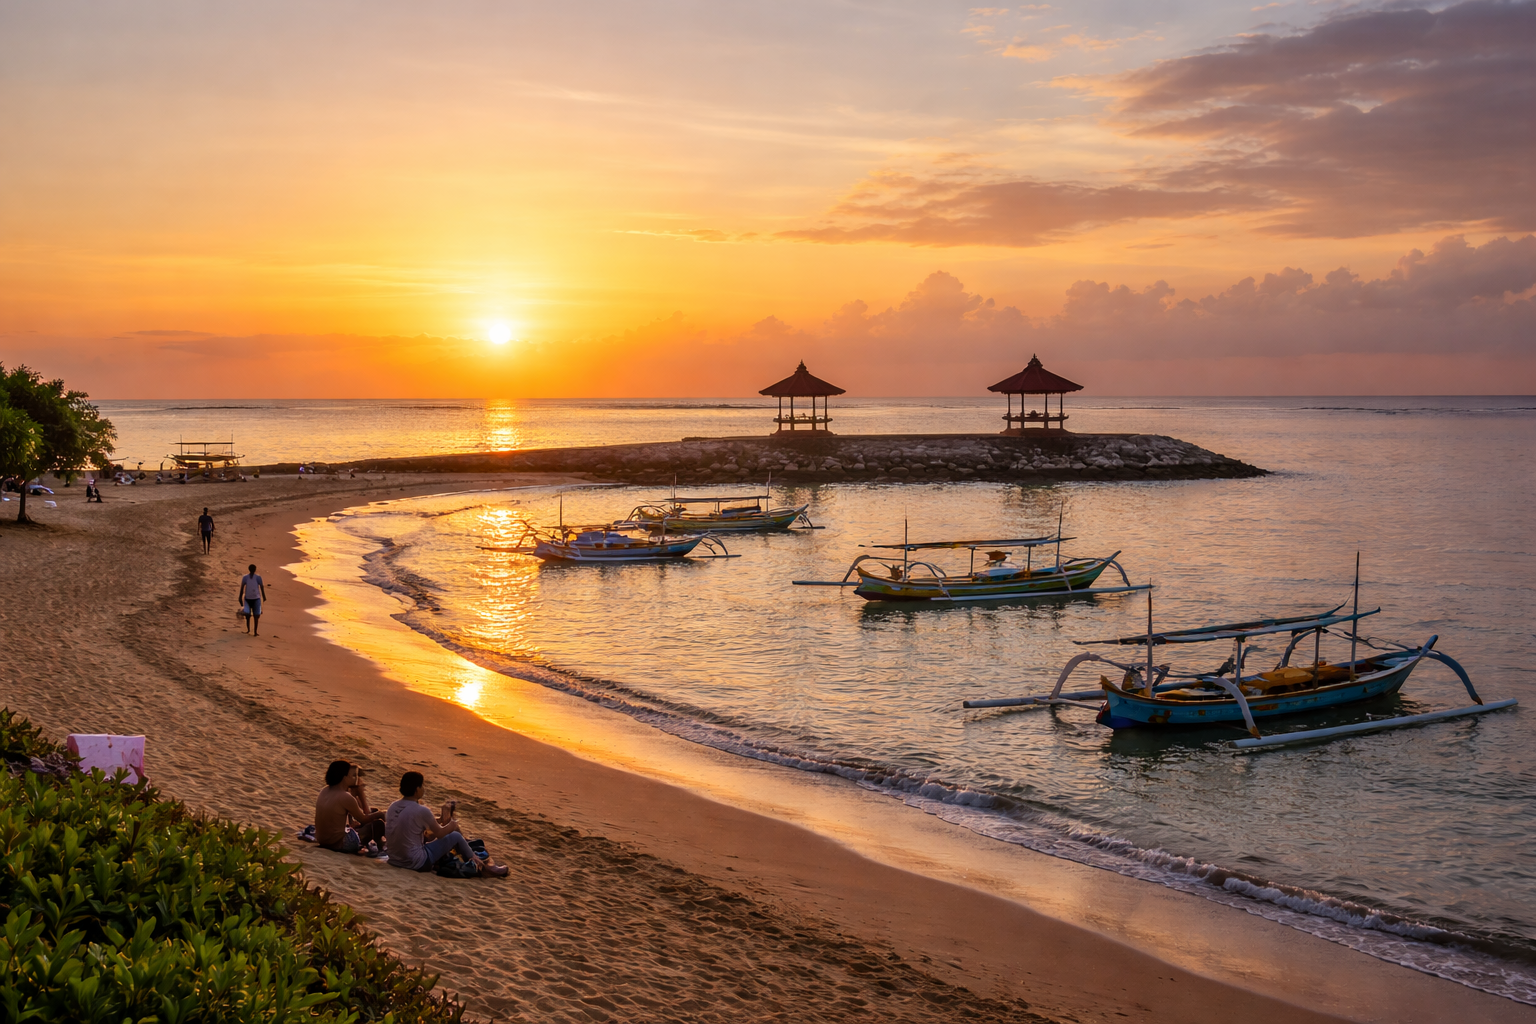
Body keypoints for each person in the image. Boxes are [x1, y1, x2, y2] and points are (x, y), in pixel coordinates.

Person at [385, 771, 507, 877]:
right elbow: (440, 834)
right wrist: (452, 824)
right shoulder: (421, 810)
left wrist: (442, 819)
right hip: (416, 862)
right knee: (456, 836)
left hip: (395, 859)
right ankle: (481, 867)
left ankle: (474, 860)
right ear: (417, 789)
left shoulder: (393, 806)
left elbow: (413, 824)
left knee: (446, 836)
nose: (424, 789)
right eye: (422, 786)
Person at [315, 760, 386, 854]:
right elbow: (364, 819)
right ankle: (381, 846)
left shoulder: (324, 790)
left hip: (322, 840)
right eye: (353, 776)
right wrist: (380, 814)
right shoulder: (345, 796)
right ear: (344, 777)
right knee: (378, 824)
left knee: (372, 816)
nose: (356, 778)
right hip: (338, 844)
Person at [238, 564, 267, 635]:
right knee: (249, 615)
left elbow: (261, 587)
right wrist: (264, 596)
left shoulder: (258, 578)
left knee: (256, 615)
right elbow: (242, 588)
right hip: (249, 599)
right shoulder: (245, 577)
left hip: (256, 599)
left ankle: (254, 631)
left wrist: (264, 596)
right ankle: (251, 631)